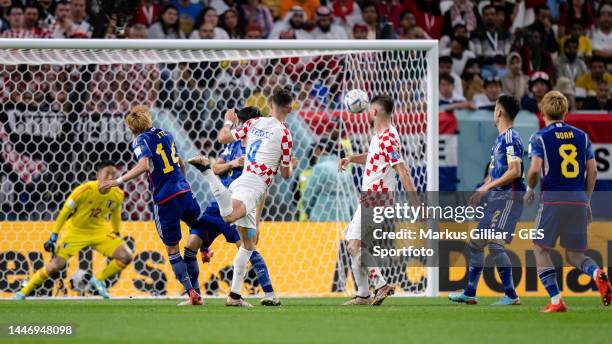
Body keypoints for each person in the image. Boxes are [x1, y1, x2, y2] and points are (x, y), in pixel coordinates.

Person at [188, 87, 295, 307]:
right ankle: (207, 171)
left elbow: (225, 137)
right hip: (253, 185)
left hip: (244, 181)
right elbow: (285, 175)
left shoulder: (253, 123)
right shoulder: (285, 133)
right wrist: (290, 165)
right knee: (227, 217)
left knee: (249, 243)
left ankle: (234, 296)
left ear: (270, 103)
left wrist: (228, 122)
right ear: (290, 108)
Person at [98, 106, 204, 306]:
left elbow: (145, 165)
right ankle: (205, 249)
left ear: (130, 127)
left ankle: (192, 293)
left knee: (172, 249)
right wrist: (181, 181)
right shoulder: (167, 134)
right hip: (184, 192)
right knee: (196, 226)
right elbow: (180, 163)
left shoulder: (140, 140)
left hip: (165, 200)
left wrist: (117, 181)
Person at [524, 90, 612, 312]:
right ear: (565, 111)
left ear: (542, 111)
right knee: (575, 255)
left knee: (540, 248)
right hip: (578, 199)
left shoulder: (539, 137)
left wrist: (529, 187)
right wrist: (587, 201)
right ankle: (597, 273)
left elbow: (534, 170)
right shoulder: (582, 136)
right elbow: (592, 172)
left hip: (553, 200)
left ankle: (556, 300)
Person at [338, 94, 419, 306]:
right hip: (370, 197)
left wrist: (416, 203)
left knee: (354, 245)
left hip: (377, 198)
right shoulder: (378, 137)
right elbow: (372, 157)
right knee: (357, 246)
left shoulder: (390, 137)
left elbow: (402, 171)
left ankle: (381, 285)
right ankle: (364, 295)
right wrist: (352, 159)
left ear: (374, 112)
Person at [15, 161, 133, 300]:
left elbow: (115, 212)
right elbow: (65, 212)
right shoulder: (84, 190)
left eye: (114, 174)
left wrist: (116, 232)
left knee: (126, 256)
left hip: (99, 231)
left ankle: (99, 279)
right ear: (98, 175)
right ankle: (23, 292)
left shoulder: (118, 194)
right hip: (76, 232)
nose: (111, 176)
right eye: (107, 173)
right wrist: (54, 236)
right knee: (55, 266)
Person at [448, 94, 525, 306]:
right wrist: (483, 188)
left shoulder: (511, 137)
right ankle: (470, 292)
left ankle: (511, 295)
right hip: (496, 197)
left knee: (495, 245)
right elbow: (495, 172)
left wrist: (487, 187)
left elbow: (515, 171)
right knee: (475, 244)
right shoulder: (500, 140)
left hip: (508, 196)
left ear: (499, 111)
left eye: (494, 109)